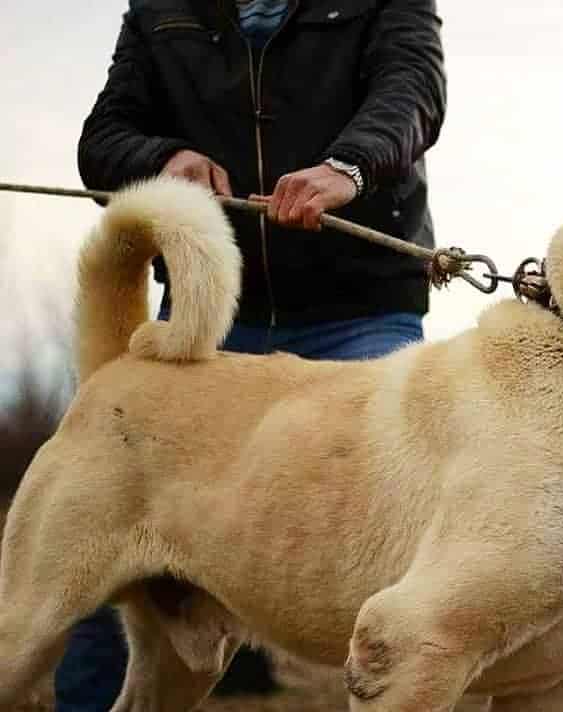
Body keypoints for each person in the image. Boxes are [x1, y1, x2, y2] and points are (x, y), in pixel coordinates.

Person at [57, 0, 447, 708]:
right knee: (94, 544)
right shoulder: (158, 10)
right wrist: (161, 159)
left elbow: (413, 93)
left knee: (405, 549)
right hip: (204, 326)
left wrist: (346, 167)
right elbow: (104, 137)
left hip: (359, 318)